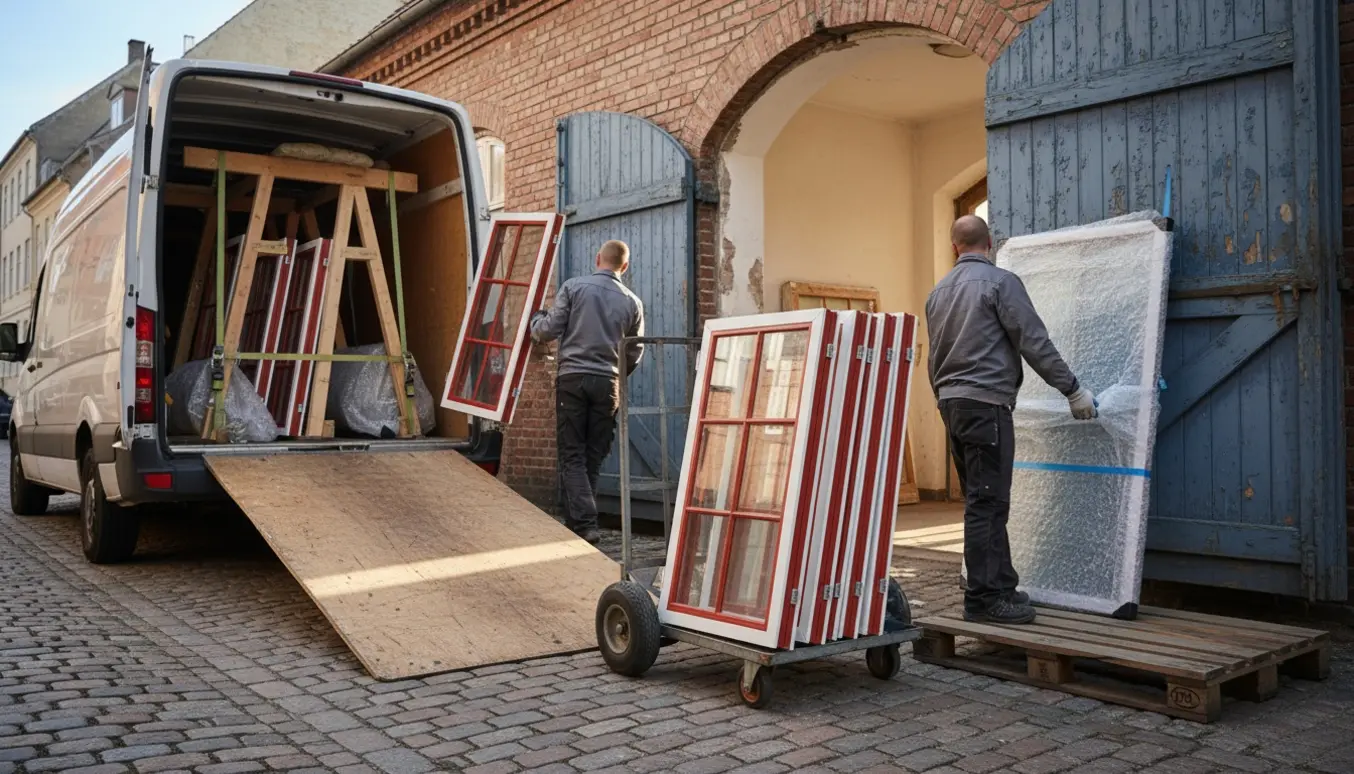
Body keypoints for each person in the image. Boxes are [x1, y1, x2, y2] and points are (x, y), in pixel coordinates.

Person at [925, 215, 1097, 625]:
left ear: (955, 248)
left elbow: (933, 357)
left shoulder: (937, 293)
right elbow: (1033, 340)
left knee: (983, 499)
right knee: (987, 502)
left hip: (953, 405)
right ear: (992, 243)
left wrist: (943, 398)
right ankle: (984, 600)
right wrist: (1072, 389)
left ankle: (1001, 585)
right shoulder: (1000, 283)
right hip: (986, 405)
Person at [530, 240, 644, 545]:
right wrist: (616, 376)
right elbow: (635, 352)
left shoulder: (574, 287)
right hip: (608, 384)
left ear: (597, 259)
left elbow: (548, 330)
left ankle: (583, 523)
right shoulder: (632, 302)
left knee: (572, 454)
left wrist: (535, 322)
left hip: (573, 379)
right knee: (592, 455)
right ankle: (577, 522)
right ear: (625, 266)